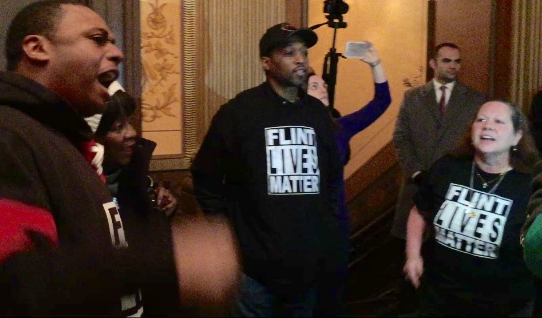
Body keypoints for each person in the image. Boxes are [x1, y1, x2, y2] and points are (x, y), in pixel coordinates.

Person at [0, 0, 239, 316]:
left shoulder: (53, 137)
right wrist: (166, 262)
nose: (118, 53)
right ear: (36, 48)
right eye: (97, 39)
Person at [191, 22, 342, 317]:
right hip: (254, 274)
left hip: (307, 271)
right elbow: (205, 177)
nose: (301, 59)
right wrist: (230, 239)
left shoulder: (317, 113)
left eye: (304, 52)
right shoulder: (239, 112)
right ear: (266, 62)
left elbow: (332, 180)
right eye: (289, 53)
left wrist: (324, 237)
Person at [403, 99, 539, 316]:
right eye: (481, 119)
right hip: (439, 297)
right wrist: (413, 256)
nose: (487, 125)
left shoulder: (530, 185)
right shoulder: (447, 167)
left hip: (502, 305)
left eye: (499, 121)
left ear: (517, 136)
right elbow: (419, 211)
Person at [389, 42, 486, 314]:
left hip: (457, 192)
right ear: (433, 63)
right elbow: (400, 139)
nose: (453, 66)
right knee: (409, 264)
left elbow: (477, 143)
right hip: (416, 187)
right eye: (446, 61)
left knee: (448, 262)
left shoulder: (475, 99)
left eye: (457, 61)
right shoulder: (413, 97)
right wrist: (416, 171)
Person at [306, 42, 391, 315]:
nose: (324, 90)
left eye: (324, 86)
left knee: (331, 295)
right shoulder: (290, 130)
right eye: (315, 86)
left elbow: (381, 102)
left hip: (335, 222)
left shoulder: (340, 128)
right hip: (301, 223)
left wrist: (375, 64)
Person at [94, 89, 178, 219]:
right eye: (118, 127)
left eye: (131, 122)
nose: (132, 132)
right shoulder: (77, 182)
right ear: (95, 135)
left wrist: (163, 205)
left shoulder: (136, 169)